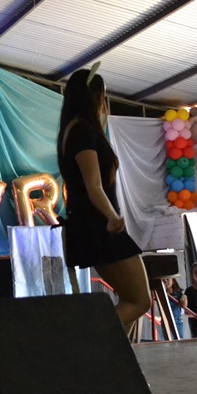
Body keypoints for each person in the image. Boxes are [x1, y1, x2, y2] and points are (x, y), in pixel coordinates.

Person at [57, 64, 151, 332]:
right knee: (139, 301)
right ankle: (87, 340)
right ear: (93, 96)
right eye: (102, 95)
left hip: (92, 224)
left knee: (131, 300)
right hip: (99, 225)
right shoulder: (83, 131)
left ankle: (109, 350)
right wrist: (112, 216)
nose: (104, 102)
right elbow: (93, 186)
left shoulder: (73, 130)